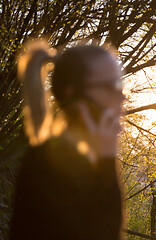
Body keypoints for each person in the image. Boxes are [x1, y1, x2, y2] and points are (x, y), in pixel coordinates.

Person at [9, 40, 126, 240]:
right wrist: (107, 158)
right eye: (111, 86)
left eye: (121, 84)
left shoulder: (82, 155)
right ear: (73, 94)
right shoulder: (49, 163)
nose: (122, 97)